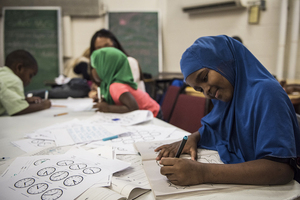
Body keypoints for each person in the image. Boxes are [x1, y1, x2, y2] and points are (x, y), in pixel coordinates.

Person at [155, 35, 300, 186]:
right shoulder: (228, 97)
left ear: (224, 61)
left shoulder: (267, 93)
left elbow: (280, 169)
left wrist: (202, 173)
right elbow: (217, 130)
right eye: (199, 89)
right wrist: (193, 138)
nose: (206, 91)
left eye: (204, 78)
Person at [91, 47, 162, 119]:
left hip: (153, 114)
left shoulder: (116, 86)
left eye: (95, 67)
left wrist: (107, 108)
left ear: (106, 68)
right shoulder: (109, 85)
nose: (92, 71)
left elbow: (133, 108)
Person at [0, 50, 51, 116]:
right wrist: (44, 105)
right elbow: (19, 109)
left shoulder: (3, 74)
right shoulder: (14, 80)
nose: (30, 80)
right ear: (19, 68)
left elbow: (5, 98)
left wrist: (23, 100)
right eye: (30, 75)